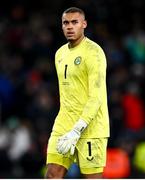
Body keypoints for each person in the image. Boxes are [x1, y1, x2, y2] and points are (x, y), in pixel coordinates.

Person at [45, 7, 110, 179]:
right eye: (66, 23)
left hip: (90, 127)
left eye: (74, 22)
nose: (70, 26)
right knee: (52, 174)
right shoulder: (60, 54)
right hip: (64, 123)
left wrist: (77, 129)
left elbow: (96, 97)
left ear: (84, 24)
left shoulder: (94, 53)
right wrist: (68, 127)